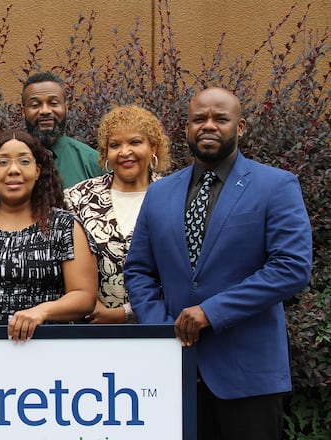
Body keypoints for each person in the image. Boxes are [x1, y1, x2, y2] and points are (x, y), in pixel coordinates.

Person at [124, 87, 312, 440]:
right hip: (174, 370)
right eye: (199, 119)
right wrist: (160, 329)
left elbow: (291, 267)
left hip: (247, 376)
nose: (208, 126)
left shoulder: (276, 186)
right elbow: (139, 269)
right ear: (187, 127)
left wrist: (211, 312)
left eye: (220, 119)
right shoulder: (160, 193)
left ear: (240, 128)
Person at [0, 129, 98, 341]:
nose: (13, 170)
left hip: (48, 352)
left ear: (38, 170)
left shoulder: (64, 227)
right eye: (3, 162)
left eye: (24, 161)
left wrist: (41, 312)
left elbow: (84, 296)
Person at [64, 105, 171, 323]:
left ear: (154, 147)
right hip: (91, 330)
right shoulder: (77, 198)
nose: (124, 152)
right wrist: (89, 304)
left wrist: (125, 313)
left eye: (135, 142)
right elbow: (62, 260)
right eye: (115, 145)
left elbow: (184, 270)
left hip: (158, 327)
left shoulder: (175, 195)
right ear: (105, 153)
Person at [21, 72, 104, 188]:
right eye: (35, 105)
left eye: (53, 103)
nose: (45, 111)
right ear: (23, 111)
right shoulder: (8, 163)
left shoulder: (93, 162)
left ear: (66, 108)